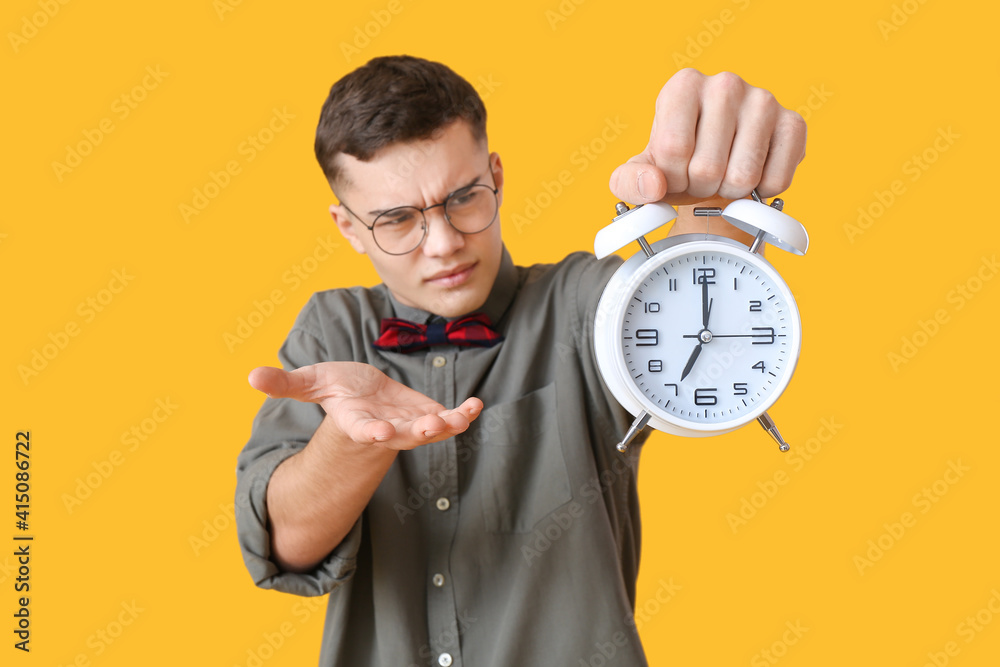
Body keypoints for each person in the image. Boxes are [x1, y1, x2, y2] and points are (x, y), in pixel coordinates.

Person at [235, 55, 806, 666]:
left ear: (498, 177)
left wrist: (708, 202)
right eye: (398, 219)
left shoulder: (587, 305)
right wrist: (352, 445)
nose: (445, 241)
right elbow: (288, 547)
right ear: (348, 228)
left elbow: (697, 319)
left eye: (463, 197)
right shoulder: (329, 330)